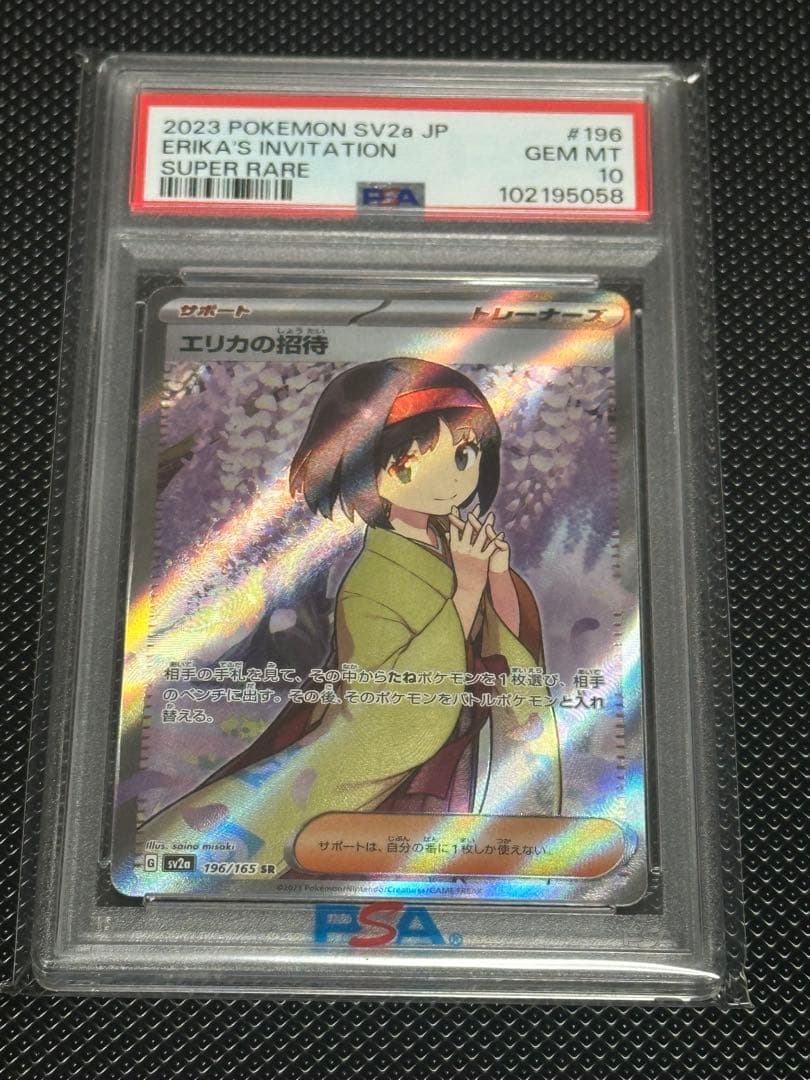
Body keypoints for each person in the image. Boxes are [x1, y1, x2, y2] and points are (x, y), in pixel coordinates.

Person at [138, 356, 560, 877]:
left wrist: (495, 577)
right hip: (403, 770)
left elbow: (510, 643)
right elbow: (384, 707)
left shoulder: (458, 546)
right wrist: (469, 589)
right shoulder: (371, 581)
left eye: (463, 456)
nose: (448, 480)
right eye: (405, 464)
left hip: (465, 747)